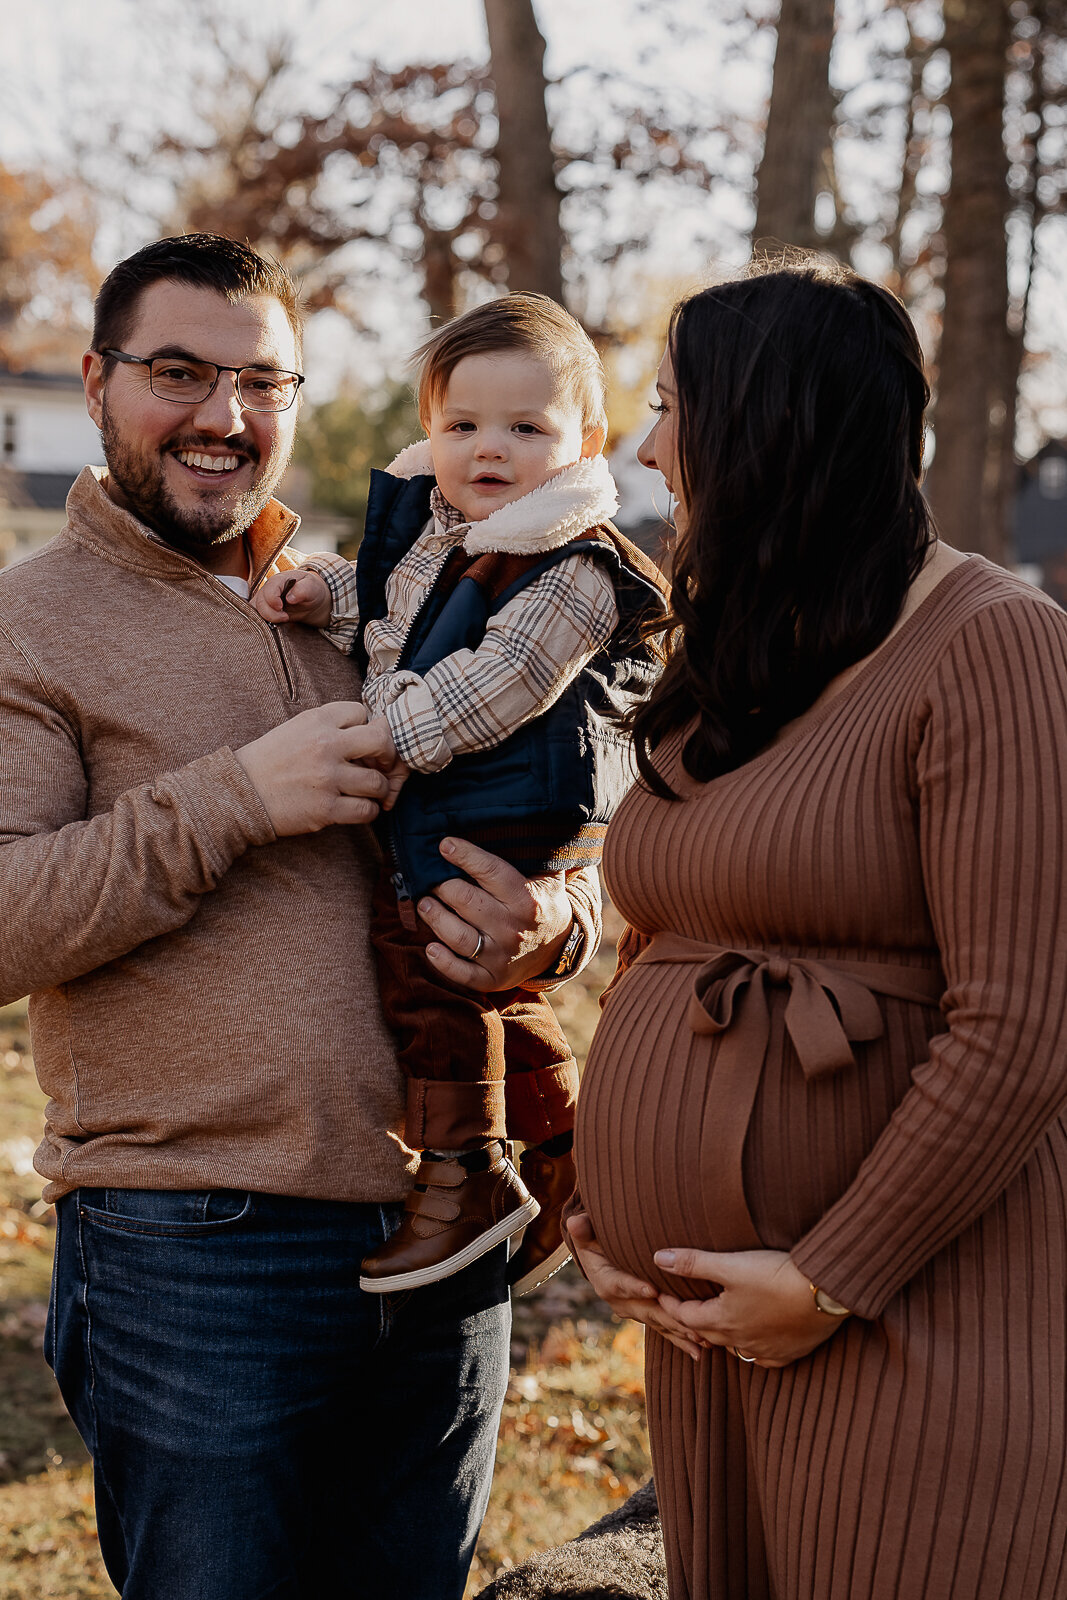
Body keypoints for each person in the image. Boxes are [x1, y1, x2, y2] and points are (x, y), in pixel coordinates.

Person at [0, 233, 603, 1600]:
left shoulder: (391, 594)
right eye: (178, 374)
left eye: (263, 383)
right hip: (196, 1247)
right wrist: (231, 802)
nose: (224, 419)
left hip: (448, 1220)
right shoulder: (27, 625)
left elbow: (540, 812)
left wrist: (555, 923)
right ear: (96, 381)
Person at [565, 257, 1067, 1599]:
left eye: (674, 406)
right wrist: (601, 1199)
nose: (649, 444)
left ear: (769, 425)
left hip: (911, 1317)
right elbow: (657, 942)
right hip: (708, 1331)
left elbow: (1021, 1023)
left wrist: (831, 1276)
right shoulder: (733, 648)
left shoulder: (993, 645)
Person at [254, 294, 664, 1296]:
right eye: (461, 424)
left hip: (501, 803)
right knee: (477, 982)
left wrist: (382, 737)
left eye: (526, 428)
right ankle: (561, 1139)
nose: (490, 448)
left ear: (582, 441)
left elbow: (501, 680)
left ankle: (463, 1170)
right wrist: (328, 594)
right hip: (460, 798)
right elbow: (401, 612)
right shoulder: (441, 530)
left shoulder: (574, 561)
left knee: (426, 967)